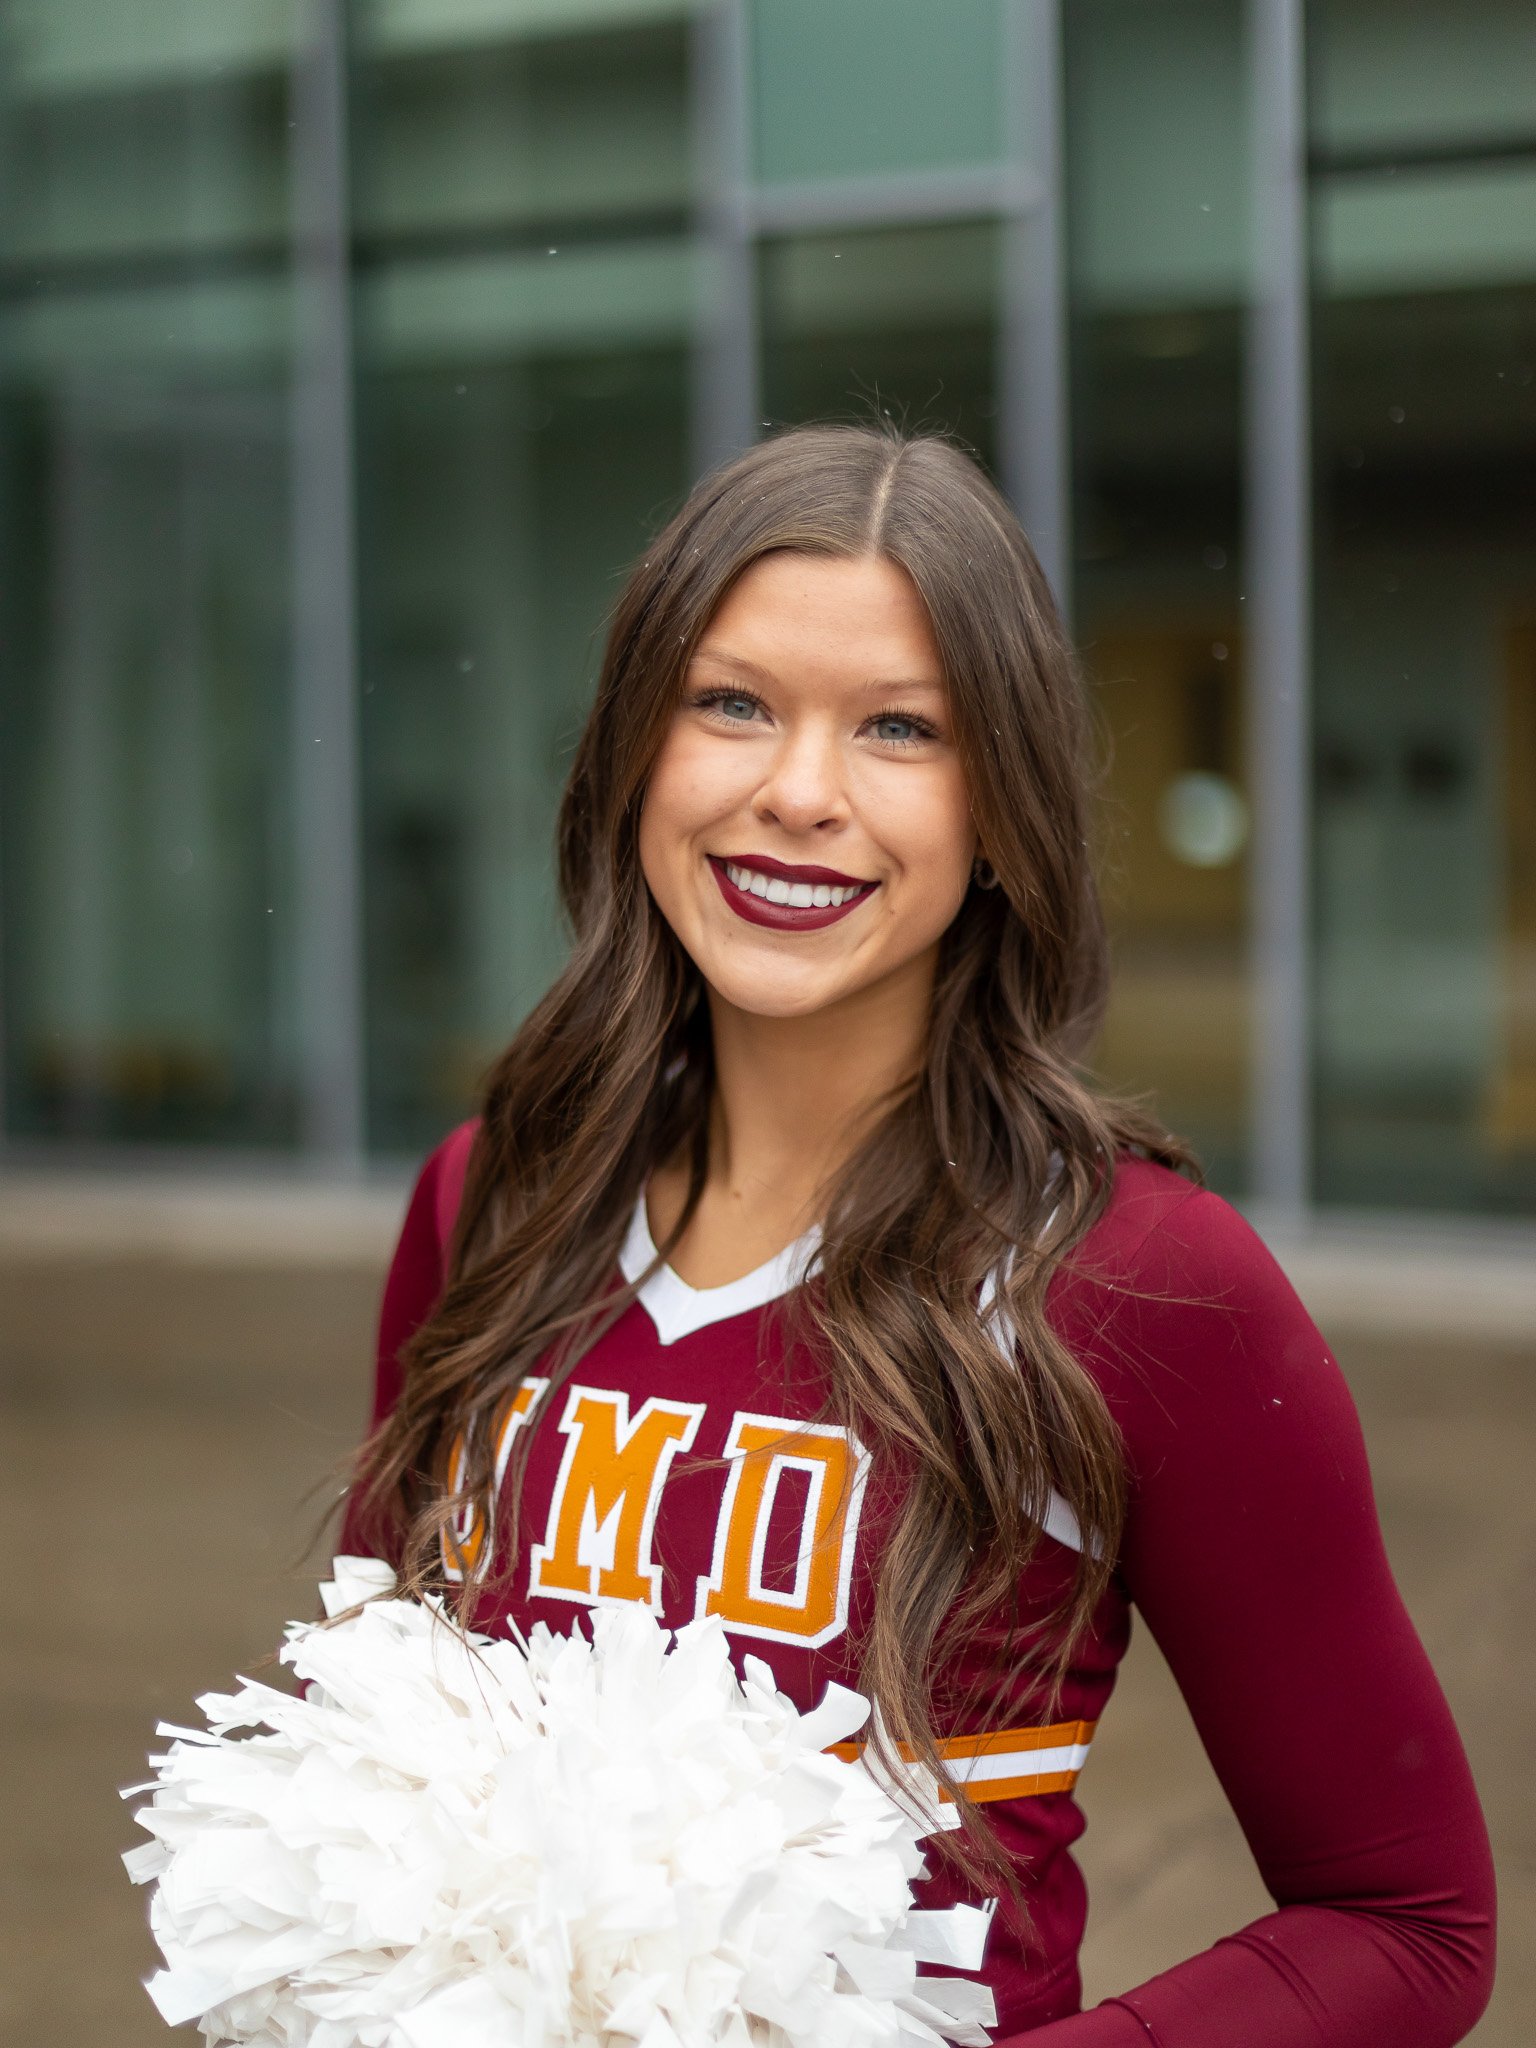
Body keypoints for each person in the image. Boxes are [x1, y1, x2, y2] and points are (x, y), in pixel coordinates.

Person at [340, 425, 1495, 2044]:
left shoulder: (1140, 1281)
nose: (798, 793)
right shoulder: (492, 1199)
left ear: (1005, 811)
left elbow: (1408, 1925)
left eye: (901, 728)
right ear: (629, 757)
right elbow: (367, 1765)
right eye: (729, 703)